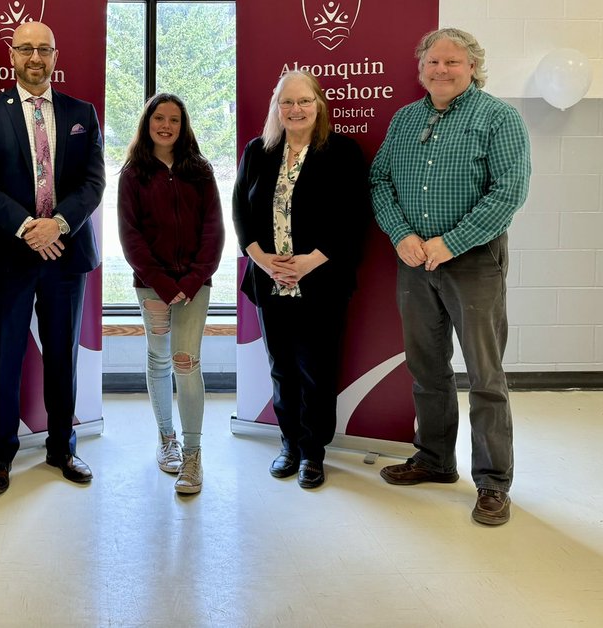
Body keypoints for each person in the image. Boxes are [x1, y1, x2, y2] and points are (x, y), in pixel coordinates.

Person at [369, 27, 531, 527]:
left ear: (474, 68)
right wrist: (401, 235)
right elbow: (380, 180)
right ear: (421, 70)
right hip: (414, 263)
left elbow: (509, 192)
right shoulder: (405, 119)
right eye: (432, 63)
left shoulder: (499, 118)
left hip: (473, 263)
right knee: (426, 368)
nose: (441, 70)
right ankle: (435, 459)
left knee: (486, 377)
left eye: (452, 63)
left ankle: (492, 483)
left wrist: (450, 243)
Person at [0, 21, 105, 496]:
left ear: (56, 55)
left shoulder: (81, 112)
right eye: (26, 49)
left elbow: (93, 183)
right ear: (12, 56)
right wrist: (29, 227)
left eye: (44, 49)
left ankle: (62, 447)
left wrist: (58, 224)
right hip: (10, 255)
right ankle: (0, 455)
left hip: (65, 254)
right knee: (5, 357)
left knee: (61, 355)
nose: (35, 58)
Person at [232, 70, 369, 490]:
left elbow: (354, 217)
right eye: (286, 102)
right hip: (270, 283)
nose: (295, 109)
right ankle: (289, 444)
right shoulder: (259, 151)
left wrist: (310, 262)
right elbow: (240, 209)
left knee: (317, 370)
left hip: (321, 283)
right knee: (282, 369)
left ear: (319, 105)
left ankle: (313, 452)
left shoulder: (342, 152)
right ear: (277, 107)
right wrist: (259, 258)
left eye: (303, 101)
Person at [117, 93, 224, 494]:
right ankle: (167, 440)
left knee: (186, 362)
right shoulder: (133, 174)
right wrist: (163, 285)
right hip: (152, 287)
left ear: (184, 126)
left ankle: (193, 455)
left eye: (174, 120)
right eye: (158, 118)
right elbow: (130, 237)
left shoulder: (201, 171)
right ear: (147, 124)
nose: (166, 125)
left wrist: (192, 281)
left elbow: (214, 230)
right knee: (159, 359)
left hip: (195, 286)